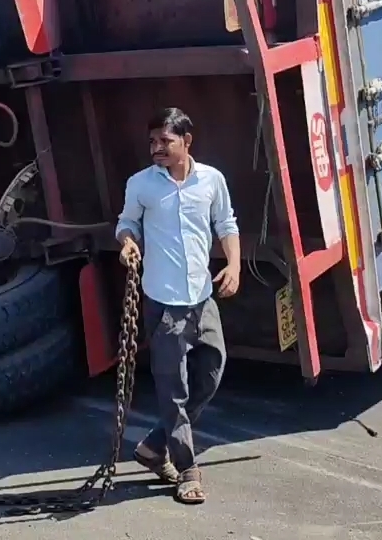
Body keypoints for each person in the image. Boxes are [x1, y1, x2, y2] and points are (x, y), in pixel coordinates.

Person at [116, 107, 241, 504]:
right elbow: (126, 223)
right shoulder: (141, 184)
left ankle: (154, 446)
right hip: (164, 303)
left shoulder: (211, 181)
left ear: (187, 142)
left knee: (211, 374)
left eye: (165, 141)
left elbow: (226, 224)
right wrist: (127, 243)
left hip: (202, 299)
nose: (157, 148)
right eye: (152, 141)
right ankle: (187, 468)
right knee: (174, 390)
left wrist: (234, 265)